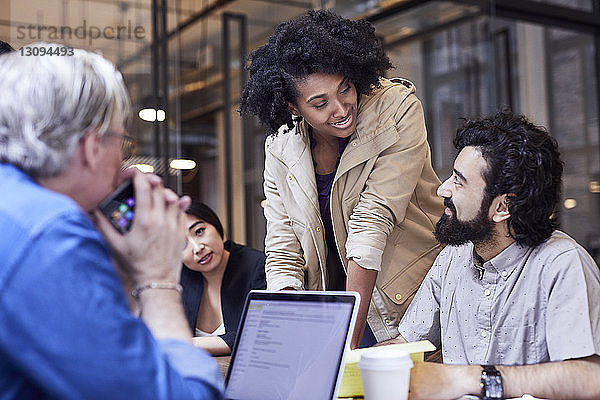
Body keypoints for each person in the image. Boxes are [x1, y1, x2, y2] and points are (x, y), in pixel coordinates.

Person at [0, 43, 223, 399]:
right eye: (122, 140)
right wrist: (157, 279)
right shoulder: (49, 234)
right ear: (91, 147)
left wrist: (122, 270)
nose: (123, 159)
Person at [240, 9, 444, 349]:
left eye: (345, 88)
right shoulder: (280, 147)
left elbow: (373, 222)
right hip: (333, 306)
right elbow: (283, 245)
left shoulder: (397, 109)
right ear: (294, 108)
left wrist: (345, 343)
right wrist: (288, 308)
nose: (341, 108)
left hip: (405, 301)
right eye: (320, 103)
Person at [390, 110, 600, 399]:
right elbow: (406, 343)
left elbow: (589, 379)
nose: (442, 189)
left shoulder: (562, 264)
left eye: (459, 181)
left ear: (503, 208)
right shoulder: (454, 257)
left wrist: (470, 378)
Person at [180, 201, 266, 355]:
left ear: (215, 224)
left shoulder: (256, 266)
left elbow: (260, 334)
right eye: (181, 245)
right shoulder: (179, 279)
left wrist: (187, 343)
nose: (197, 248)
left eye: (199, 231)